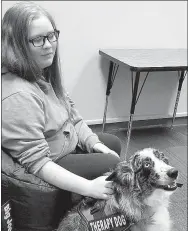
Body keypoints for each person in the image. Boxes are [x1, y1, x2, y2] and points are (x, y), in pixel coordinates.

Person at [2, 1, 122, 203]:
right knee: (111, 163)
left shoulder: (42, 71)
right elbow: (37, 162)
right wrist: (90, 187)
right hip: (50, 160)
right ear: (17, 45)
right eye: (37, 40)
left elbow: (72, 118)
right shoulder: (17, 95)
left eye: (51, 35)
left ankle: (78, 202)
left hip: (63, 144)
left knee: (112, 144)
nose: (49, 45)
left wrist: (94, 143)